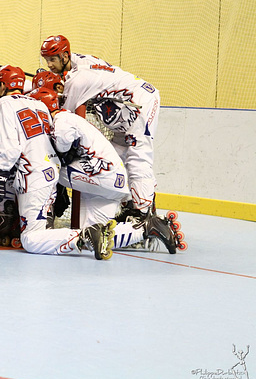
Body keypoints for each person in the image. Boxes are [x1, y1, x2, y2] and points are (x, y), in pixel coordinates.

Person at [0, 65, 116, 259]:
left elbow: (10, 149)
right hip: (51, 170)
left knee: (30, 239)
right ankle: (16, 221)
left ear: (2, 85)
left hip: (32, 175)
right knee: (38, 227)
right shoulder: (38, 104)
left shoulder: (4, 103)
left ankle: (86, 234)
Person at [31, 87, 180, 254]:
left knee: (44, 166)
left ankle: (46, 216)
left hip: (104, 175)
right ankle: (147, 228)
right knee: (94, 235)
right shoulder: (66, 119)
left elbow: (62, 143)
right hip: (106, 184)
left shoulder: (62, 118)